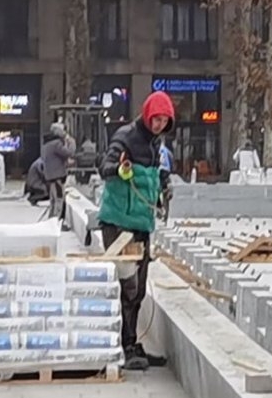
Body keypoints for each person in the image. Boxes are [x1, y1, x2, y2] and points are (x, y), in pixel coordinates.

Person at [97, 91, 175, 371]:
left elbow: (156, 172)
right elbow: (104, 166)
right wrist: (120, 169)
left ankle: (130, 342)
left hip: (141, 224)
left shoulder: (157, 144)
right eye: (156, 119)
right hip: (119, 224)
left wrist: (164, 183)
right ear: (147, 115)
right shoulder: (126, 136)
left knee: (139, 289)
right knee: (127, 287)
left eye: (164, 121)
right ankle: (122, 346)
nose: (159, 125)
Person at [41, 122, 76, 218]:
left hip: (49, 177)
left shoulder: (46, 144)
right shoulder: (56, 144)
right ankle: (57, 220)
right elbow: (69, 153)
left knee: (53, 200)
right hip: (57, 177)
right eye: (63, 130)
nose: (64, 133)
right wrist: (71, 142)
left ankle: (51, 219)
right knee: (59, 199)